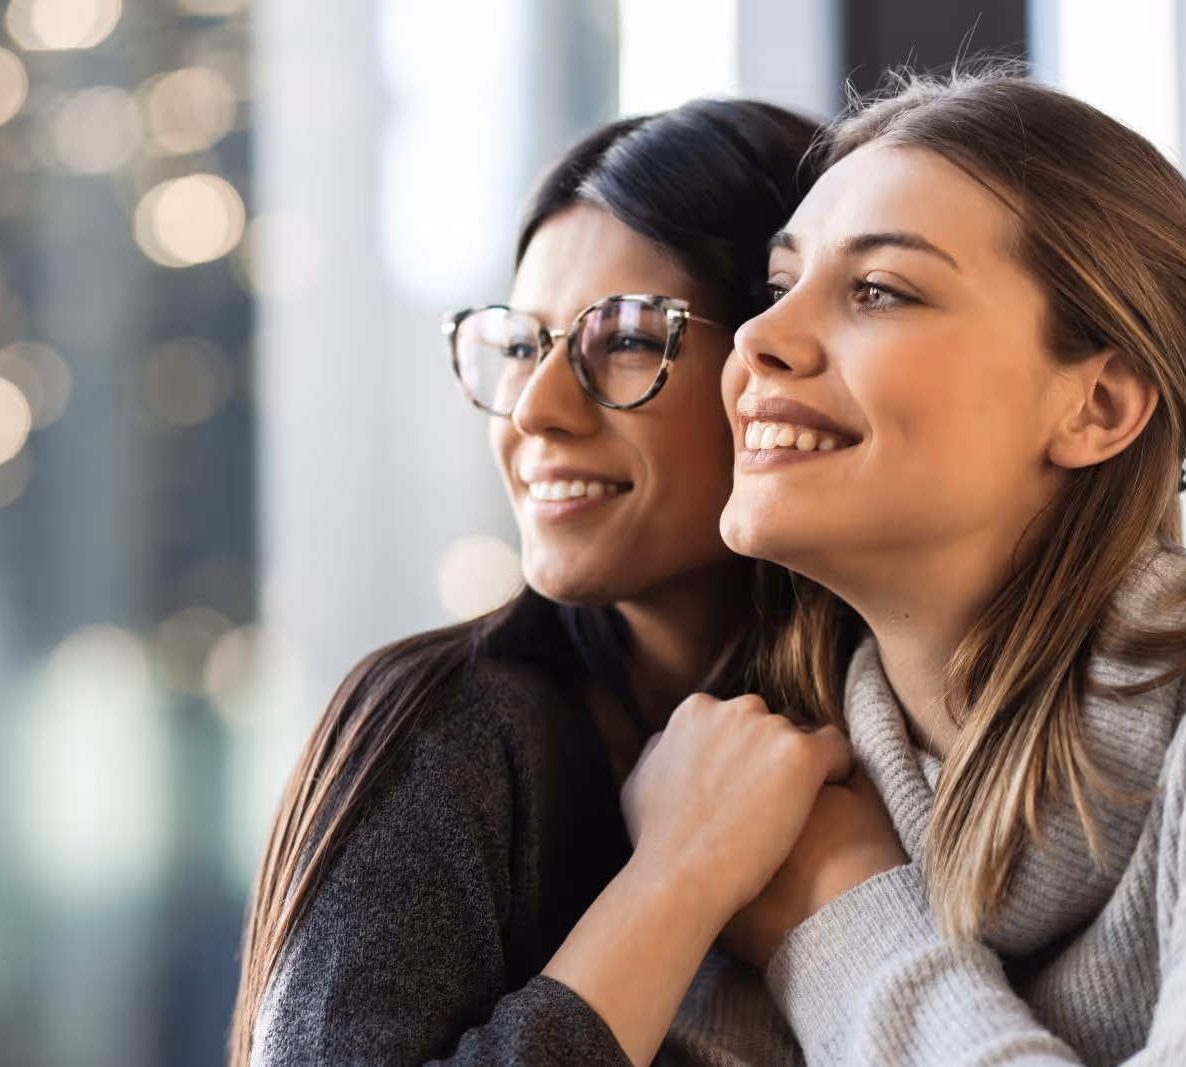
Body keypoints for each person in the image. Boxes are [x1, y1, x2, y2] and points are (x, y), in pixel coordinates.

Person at [628, 70, 1186, 1064]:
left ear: (1096, 406)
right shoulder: (761, 789)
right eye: (778, 286)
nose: (757, 340)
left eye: (878, 289)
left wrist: (843, 916)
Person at [231, 99, 837, 1066]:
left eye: (630, 337)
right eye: (522, 346)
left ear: (781, 360)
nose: (537, 410)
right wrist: (676, 878)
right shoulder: (452, 729)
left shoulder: (915, 726)